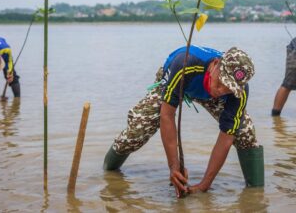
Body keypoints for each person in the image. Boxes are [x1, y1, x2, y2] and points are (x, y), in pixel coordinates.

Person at [103, 45, 264, 197]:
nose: (221, 91)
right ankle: (108, 171)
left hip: (204, 89)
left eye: (228, 88)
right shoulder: (186, 64)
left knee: (245, 133)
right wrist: (174, 166)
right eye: (221, 82)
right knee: (138, 129)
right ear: (215, 64)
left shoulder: (238, 93)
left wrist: (204, 185)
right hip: (177, 80)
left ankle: (255, 194)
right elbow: (167, 115)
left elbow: (227, 136)